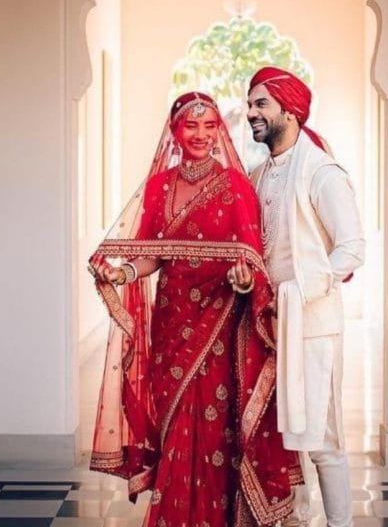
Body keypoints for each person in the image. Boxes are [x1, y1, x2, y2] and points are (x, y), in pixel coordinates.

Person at [88, 91, 301, 527]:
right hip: (171, 323)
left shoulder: (236, 187)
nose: (200, 135)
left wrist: (243, 280)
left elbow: (251, 262)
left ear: (219, 130)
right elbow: (152, 253)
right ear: (175, 131)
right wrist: (123, 273)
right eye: (191, 125)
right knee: (174, 424)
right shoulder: (158, 187)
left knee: (213, 429)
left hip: (219, 326)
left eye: (209, 126)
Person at [246, 68, 365, 527]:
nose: (251, 113)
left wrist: (297, 291)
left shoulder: (321, 172)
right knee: (279, 437)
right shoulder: (258, 173)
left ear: (289, 112)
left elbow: (352, 248)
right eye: (250, 103)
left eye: (261, 104)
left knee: (322, 439)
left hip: (311, 325)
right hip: (264, 327)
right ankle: (292, 520)